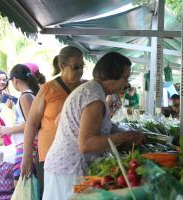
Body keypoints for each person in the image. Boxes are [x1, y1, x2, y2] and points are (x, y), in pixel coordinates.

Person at [43, 52, 145, 200]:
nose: (126, 83)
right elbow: (86, 144)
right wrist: (125, 137)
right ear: (111, 76)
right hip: (69, 171)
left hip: (63, 167)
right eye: (125, 77)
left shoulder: (91, 90)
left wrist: (122, 132)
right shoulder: (94, 98)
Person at [20, 46, 85, 194]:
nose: (80, 71)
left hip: (77, 157)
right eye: (76, 67)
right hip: (49, 157)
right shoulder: (48, 88)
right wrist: (27, 156)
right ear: (62, 66)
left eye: (82, 66)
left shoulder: (84, 88)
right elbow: (31, 123)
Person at [0, 64, 40, 183]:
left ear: (15, 80)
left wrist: (8, 130)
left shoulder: (25, 96)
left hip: (26, 146)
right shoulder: (31, 94)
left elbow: (31, 124)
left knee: (20, 184)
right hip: (29, 145)